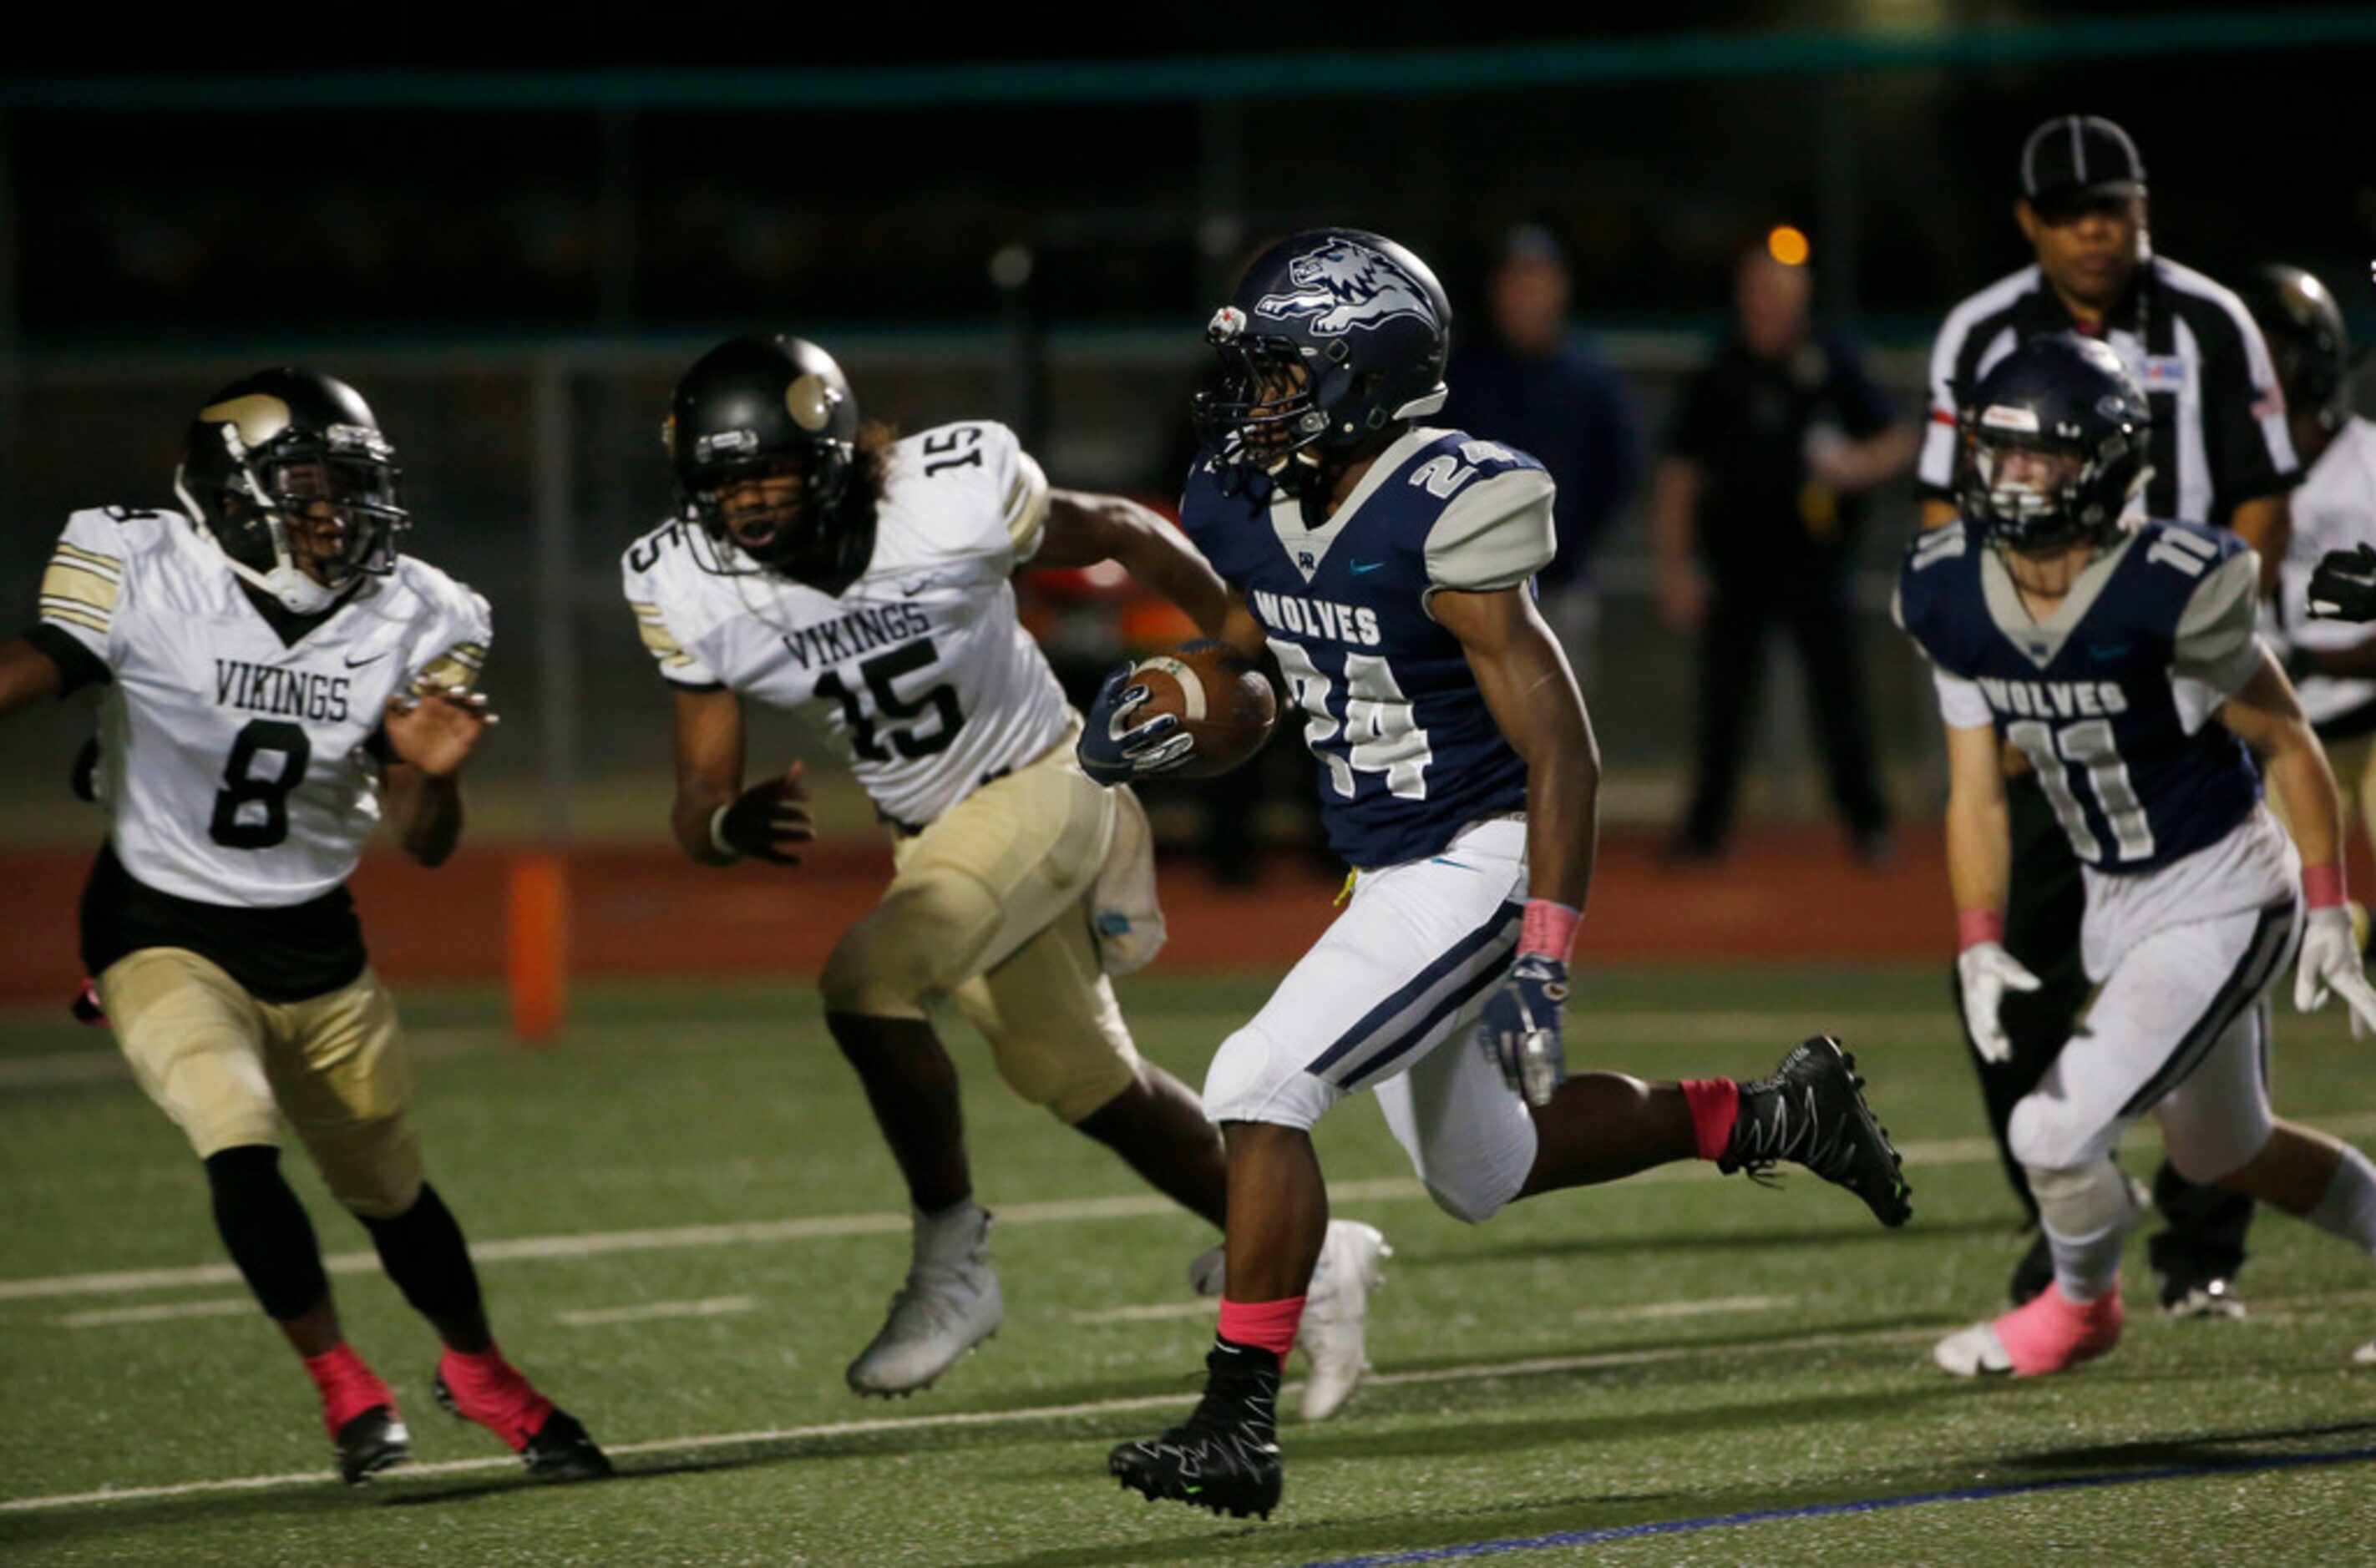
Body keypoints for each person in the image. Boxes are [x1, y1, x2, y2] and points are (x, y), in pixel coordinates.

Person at [1084, 229, 1912, 1521]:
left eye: (1280, 371)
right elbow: (1254, 664)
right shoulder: (1242, 495)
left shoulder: (1445, 497)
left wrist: (1542, 953)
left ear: (1360, 375)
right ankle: (1778, 1114)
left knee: (1260, 1078)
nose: (1250, 398)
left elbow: (1561, 746)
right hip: (1385, 866)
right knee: (1482, 1171)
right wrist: (1173, 715)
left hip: (1480, 852)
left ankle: (1233, 1415)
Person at [619, 335, 1386, 1414]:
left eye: (770, 474)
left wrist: (1245, 638)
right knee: (1082, 1082)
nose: (748, 507)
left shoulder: (945, 497)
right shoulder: (688, 584)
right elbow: (694, 808)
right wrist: (723, 823)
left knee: (866, 978)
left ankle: (952, 1257)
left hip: (1050, 776)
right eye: (725, 483)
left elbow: (1120, 527)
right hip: (929, 833)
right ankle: (1305, 1253)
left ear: (834, 454)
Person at [0, 369, 609, 1485]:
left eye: (352, 490)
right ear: (231, 496)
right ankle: (343, 1381)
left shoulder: (429, 610)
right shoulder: (141, 562)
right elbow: (38, 668)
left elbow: (425, 839)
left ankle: (477, 1368)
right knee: (237, 1138)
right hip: (156, 920)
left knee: (390, 1189)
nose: (339, 516)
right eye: (309, 491)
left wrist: (431, 775)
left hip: (316, 936)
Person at [1899, 333, 2376, 1378]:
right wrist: (1977, 938)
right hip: (2112, 897)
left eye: (2044, 456)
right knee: (2224, 1151)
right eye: (1999, 451)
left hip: (2221, 889)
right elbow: (1975, 788)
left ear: (2104, 463)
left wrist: (2328, 907)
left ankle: (2078, 1310)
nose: (2012, 476)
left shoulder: (2165, 582)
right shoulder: (1948, 589)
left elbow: (2288, 740)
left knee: (2049, 1130)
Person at [1915, 115, 2303, 1317]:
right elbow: (1945, 516)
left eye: (2117, 205)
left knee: (2206, 963)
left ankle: (2202, 1246)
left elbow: (2259, 499)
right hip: (2045, 711)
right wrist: (2021, 669)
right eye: (2074, 210)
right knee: (2008, 972)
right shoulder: (1980, 332)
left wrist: (2185, 666)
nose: (2099, 228)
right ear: (2028, 223)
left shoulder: (2209, 321)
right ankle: (2064, 1224)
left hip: (2183, 697)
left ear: (2145, 208)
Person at [1654, 232, 1913, 865]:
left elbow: (1898, 438)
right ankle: (1703, 833)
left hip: (1815, 562)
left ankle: (1868, 825)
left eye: (1781, 293)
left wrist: (1856, 464)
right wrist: (1675, 567)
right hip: (1735, 563)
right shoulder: (1718, 369)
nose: (1768, 305)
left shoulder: (1832, 359)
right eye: (1758, 291)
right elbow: (1678, 475)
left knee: (1839, 698)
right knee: (1723, 705)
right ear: (1742, 296)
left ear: (1802, 298)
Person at [1439, 224, 1641, 689]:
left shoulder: (1588, 377)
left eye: (1538, 281)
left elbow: (1618, 471)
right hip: (1467, 589)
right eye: (1515, 282)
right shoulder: (1462, 374)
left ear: (1561, 289)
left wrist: (1569, 540)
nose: (1527, 296)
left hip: (1561, 585)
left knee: (1559, 730)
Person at [2243, 266, 2376, 835]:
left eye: (2265, 352)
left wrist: (2312, 660)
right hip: (2280, 733)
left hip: (2370, 721)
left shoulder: (2368, 467)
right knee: (2282, 911)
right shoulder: (2232, 479)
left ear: (2311, 357)